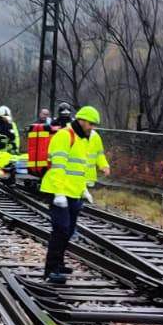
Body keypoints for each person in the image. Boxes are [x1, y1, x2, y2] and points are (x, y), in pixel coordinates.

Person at [40, 106, 108, 284]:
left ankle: (59, 263)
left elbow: (81, 168)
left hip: (74, 191)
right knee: (61, 229)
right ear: (81, 120)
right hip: (58, 190)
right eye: (91, 123)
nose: (92, 127)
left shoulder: (84, 139)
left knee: (69, 230)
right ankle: (50, 270)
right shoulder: (65, 136)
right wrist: (59, 193)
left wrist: (85, 188)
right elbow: (58, 167)